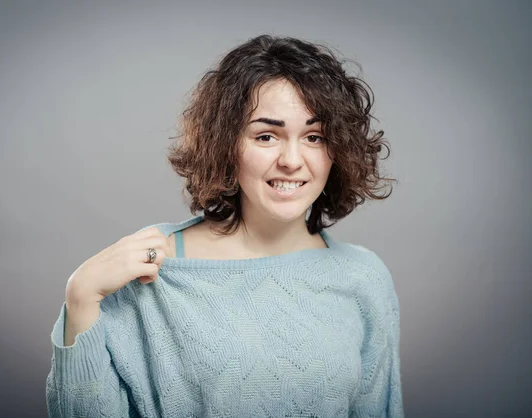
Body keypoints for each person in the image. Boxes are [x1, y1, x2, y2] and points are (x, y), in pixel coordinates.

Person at [46, 34, 403, 417]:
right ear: (225, 144)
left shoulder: (363, 278)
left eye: (314, 137)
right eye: (266, 136)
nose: (292, 160)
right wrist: (80, 298)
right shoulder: (151, 268)